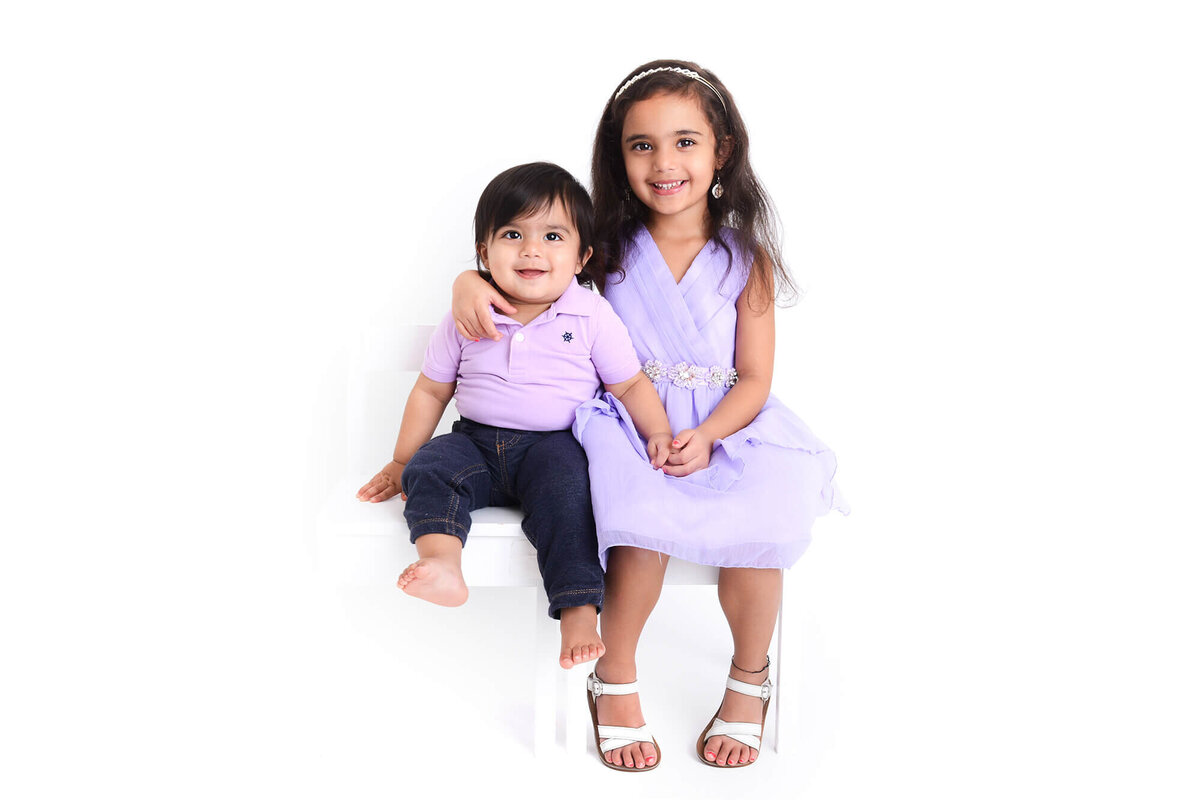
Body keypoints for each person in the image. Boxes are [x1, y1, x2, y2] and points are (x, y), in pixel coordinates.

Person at [451, 62, 847, 770]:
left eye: (686, 142)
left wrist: (710, 433)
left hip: (729, 423)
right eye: (642, 146)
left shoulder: (745, 257)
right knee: (636, 521)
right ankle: (615, 675)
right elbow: (526, 268)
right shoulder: (601, 248)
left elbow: (756, 377)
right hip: (630, 424)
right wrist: (464, 280)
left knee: (767, 518)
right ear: (619, 155)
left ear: (722, 150)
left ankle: (750, 676)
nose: (665, 163)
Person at [357, 162, 673, 671]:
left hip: (554, 446)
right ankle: (441, 562)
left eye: (552, 235)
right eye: (512, 234)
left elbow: (629, 383)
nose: (531, 249)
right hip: (475, 442)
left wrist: (657, 430)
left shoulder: (590, 315)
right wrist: (400, 460)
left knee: (572, 498)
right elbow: (431, 389)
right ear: (484, 252)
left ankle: (576, 610)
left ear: (581, 257)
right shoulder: (469, 313)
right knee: (430, 468)